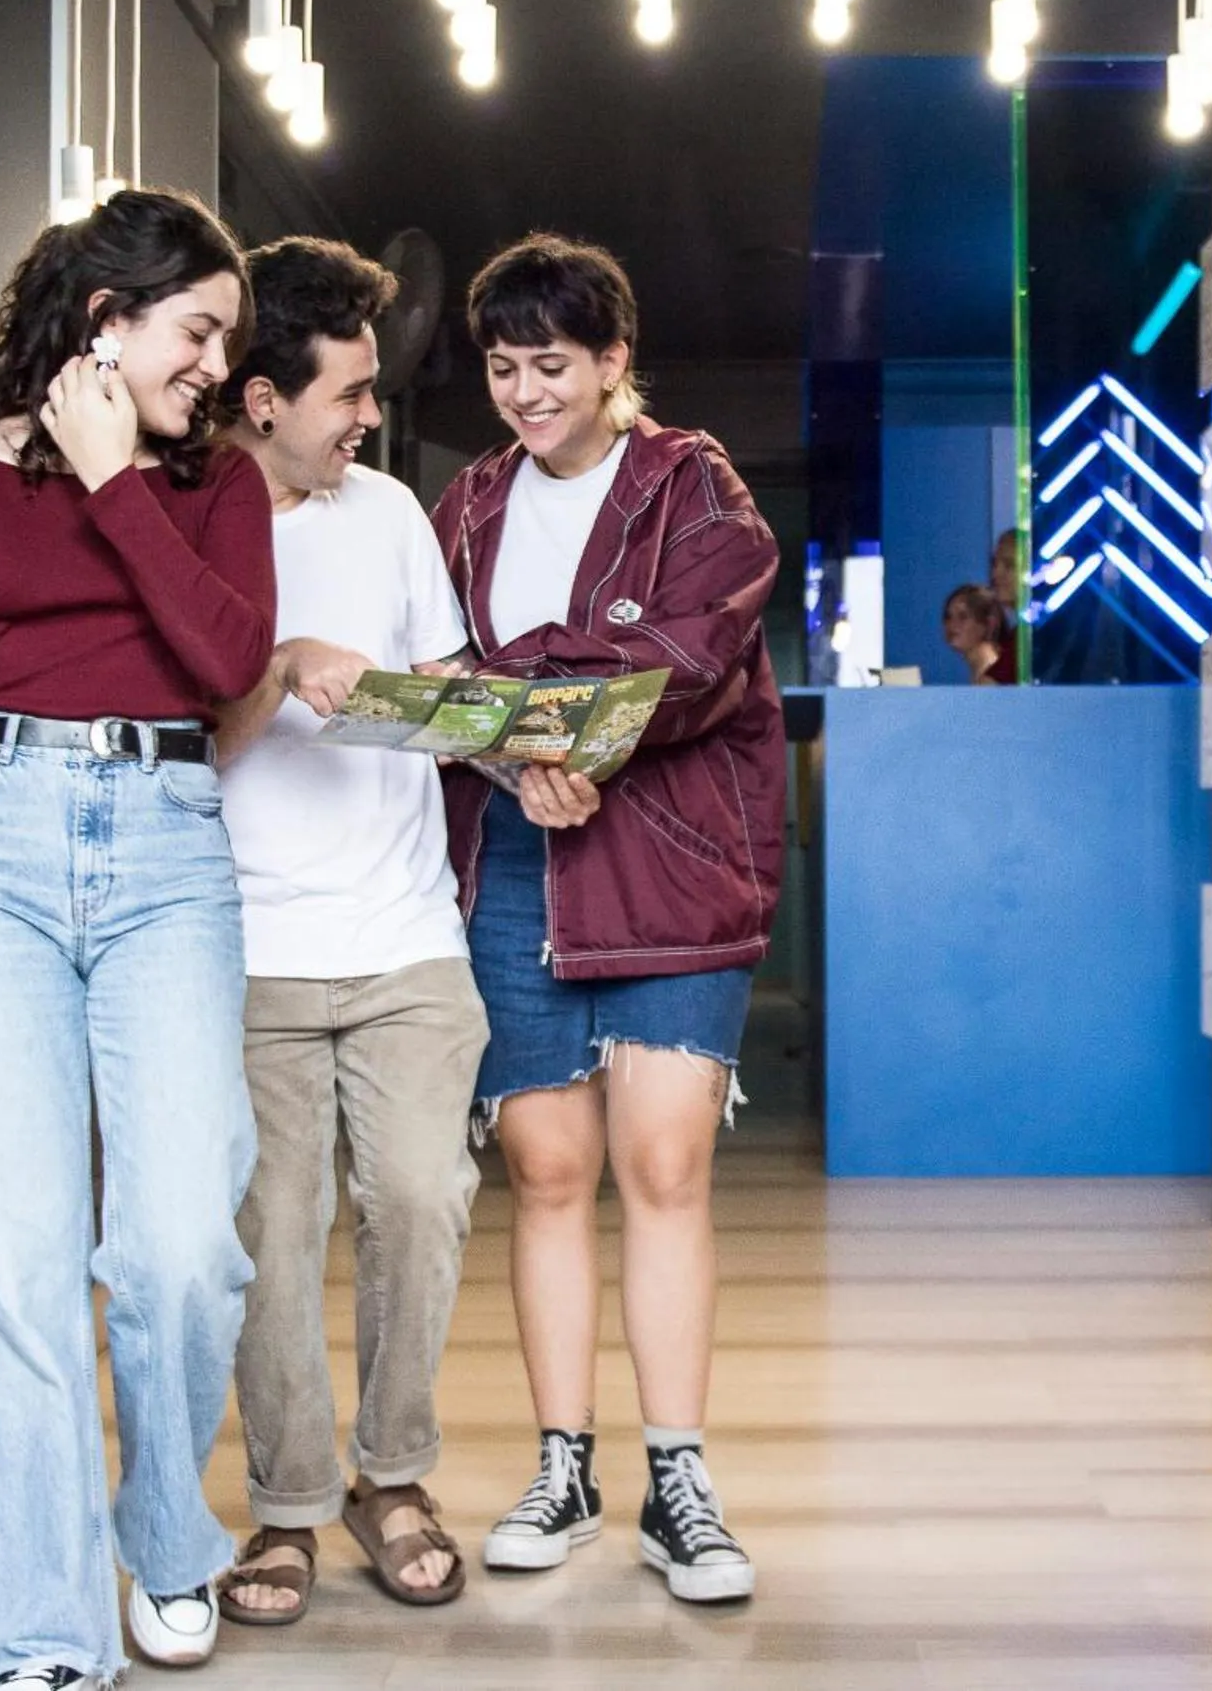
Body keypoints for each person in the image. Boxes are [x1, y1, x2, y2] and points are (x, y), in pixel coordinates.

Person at [0, 188, 272, 1685]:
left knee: (180, 1248)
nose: (218, 365)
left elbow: (223, 666)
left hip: (164, 847)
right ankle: (43, 1633)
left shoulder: (212, 486)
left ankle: (164, 1535)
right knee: (16, 1270)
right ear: (108, 319)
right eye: (199, 330)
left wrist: (112, 482)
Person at [431, 234, 786, 1604]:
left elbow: (689, 659)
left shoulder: (692, 484)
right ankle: (564, 1465)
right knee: (551, 1174)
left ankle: (679, 1480)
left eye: (553, 366)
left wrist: (540, 714)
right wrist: (519, 745)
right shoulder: (464, 503)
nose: (525, 393)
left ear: (614, 361)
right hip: (515, 869)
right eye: (504, 367)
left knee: (664, 1166)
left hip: (675, 863)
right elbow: (440, 673)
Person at [205, 237, 491, 1626]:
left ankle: (394, 1475)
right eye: (348, 393)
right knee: (271, 1230)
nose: (369, 416)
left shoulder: (388, 514)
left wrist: (511, 739)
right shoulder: (184, 518)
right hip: (243, 950)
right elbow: (175, 749)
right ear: (260, 398)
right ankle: (289, 1503)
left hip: (404, 937)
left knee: (424, 1201)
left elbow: (437, 694)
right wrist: (279, 675)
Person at [942, 582, 1009, 686]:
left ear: (989, 624)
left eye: (963, 617)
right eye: (948, 617)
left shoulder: (993, 676)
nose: (952, 624)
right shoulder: (980, 672)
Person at [988, 528, 1025, 683]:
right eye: (994, 564)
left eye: (1009, 565)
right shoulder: (1016, 637)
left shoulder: (1034, 640)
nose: (995, 574)